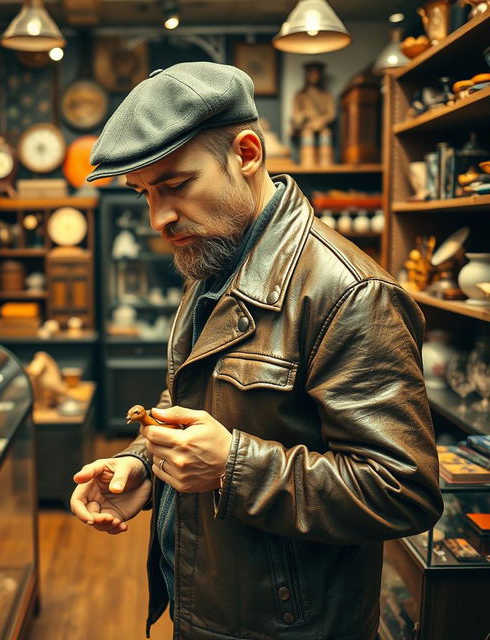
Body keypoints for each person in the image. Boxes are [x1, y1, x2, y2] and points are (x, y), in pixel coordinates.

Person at [70, 61, 443, 640]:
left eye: (174, 185)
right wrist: (144, 465)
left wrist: (233, 465)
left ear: (246, 154)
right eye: (143, 194)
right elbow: (198, 400)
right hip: (210, 604)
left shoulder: (350, 294)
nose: (159, 217)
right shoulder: (215, 260)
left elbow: (403, 491)